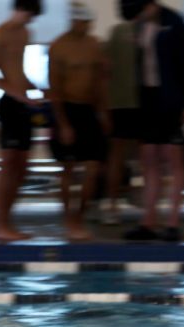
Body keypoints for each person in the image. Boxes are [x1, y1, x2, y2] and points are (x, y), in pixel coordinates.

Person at [121, 0, 184, 242]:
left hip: (172, 99)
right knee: (149, 160)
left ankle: (173, 223)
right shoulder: (142, 26)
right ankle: (148, 222)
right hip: (148, 99)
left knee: (173, 161)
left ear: (149, 5)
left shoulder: (175, 23)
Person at [47, 1, 108, 242]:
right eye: (83, 22)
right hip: (67, 111)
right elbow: (54, 89)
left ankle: (79, 217)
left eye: (88, 23)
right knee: (68, 170)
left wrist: (103, 114)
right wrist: (63, 124)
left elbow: (99, 84)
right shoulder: (58, 47)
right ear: (74, 21)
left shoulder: (94, 45)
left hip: (89, 112)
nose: (86, 26)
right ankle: (68, 220)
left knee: (93, 169)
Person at [0, 0, 42, 242]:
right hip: (9, 104)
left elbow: (18, 69)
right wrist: (14, 91)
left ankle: (8, 223)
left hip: (24, 103)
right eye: (29, 15)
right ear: (22, 10)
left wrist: (33, 89)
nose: (30, 21)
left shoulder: (26, 32)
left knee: (22, 167)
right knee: (9, 165)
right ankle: (0, 225)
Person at [102, 14, 139, 227]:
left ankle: (115, 204)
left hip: (130, 104)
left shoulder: (120, 31)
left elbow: (105, 71)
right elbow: (105, 70)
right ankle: (113, 203)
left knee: (126, 157)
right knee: (121, 157)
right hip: (127, 104)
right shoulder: (121, 32)